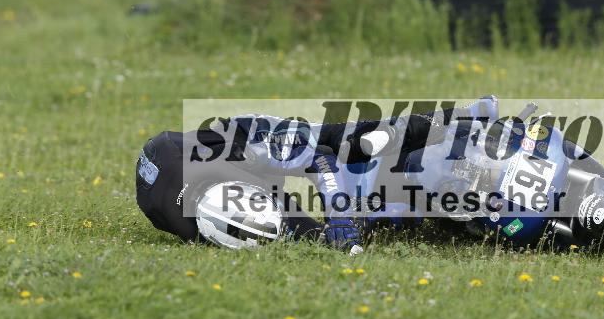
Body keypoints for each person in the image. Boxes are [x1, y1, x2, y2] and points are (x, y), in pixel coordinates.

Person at [136, 98, 500, 254]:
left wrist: (338, 213)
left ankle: (463, 115)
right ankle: (415, 209)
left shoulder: (245, 151)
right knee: (319, 238)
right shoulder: (193, 226)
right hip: (192, 189)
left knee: (357, 143)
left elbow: (320, 159)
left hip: (247, 143)